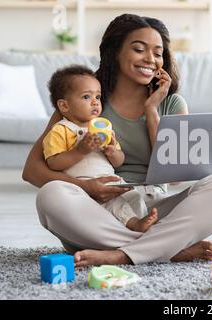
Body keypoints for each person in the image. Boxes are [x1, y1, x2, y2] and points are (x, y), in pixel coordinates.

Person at [22, 14, 212, 267]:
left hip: (155, 209)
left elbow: (175, 177)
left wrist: (152, 111)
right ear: (115, 52)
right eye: (139, 49)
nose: (150, 59)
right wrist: (87, 187)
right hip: (98, 214)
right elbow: (32, 170)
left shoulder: (172, 103)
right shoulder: (83, 102)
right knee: (51, 195)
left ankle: (122, 254)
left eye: (158, 53)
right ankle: (165, 249)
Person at [43, 65, 158, 233]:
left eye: (98, 96)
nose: (95, 101)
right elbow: (53, 162)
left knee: (133, 196)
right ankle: (134, 225)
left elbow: (119, 161)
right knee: (113, 204)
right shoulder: (61, 130)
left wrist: (113, 152)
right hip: (84, 185)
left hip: (110, 179)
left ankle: (140, 226)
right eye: (86, 97)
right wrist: (79, 151)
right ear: (64, 106)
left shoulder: (103, 128)